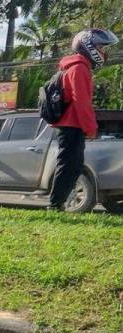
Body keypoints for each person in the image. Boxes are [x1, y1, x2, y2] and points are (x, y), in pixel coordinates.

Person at [48, 29, 119, 211]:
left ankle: (58, 203)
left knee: (74, 165)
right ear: (88, 46)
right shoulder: (79, 68)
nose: (104, 52)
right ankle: (55, 204)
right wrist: (91, 127)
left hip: (72, 124)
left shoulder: (80, 66)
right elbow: (81, 102)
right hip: (70, 125)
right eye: (101, 47)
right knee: (68, 164)